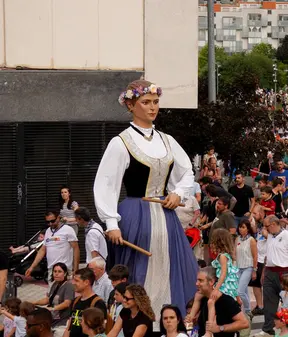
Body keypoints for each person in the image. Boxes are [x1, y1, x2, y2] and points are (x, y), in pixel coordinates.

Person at [94, 80, 198, 316]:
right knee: (137, 271)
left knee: (171, 268)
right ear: (131, 105)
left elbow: (187, 172)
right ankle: (137, 322)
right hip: (135, 213)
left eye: (155, 102)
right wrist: (111, 223)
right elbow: (106, 183)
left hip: (166, 216)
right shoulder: (121, 143)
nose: (152, 108)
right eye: (146, 102)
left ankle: (168, 320)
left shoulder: (167, 140)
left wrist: (178, 193)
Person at [259, 216, 288, 336]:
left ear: (273, 224)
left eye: (267, 226)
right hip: (269, 271)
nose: (265, 229)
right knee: (268, 301)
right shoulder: (270, 236)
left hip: (285, 272)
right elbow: (268, 255)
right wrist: (263, 271)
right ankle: (268, 328)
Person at [193, 267, 249, 337]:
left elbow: (244, 323)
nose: (196, 283)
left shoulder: (226, 301)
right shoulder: (203, 299)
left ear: (211, 282)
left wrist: (220, 328)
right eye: (197, 280)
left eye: (200, 280)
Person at [26, 210, 80, 281]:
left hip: (64, 269)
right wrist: (32, 267)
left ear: (59, 218)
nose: (50, 223)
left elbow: (76, 249)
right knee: (52, 291)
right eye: (48, 222)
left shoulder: (68, 230)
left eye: (52, 221)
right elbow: (42, 250)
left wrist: (76, 270)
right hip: (52, 270)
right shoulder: (48, 231)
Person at [64, 268, 109, 337]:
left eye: (77, 281)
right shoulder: (75, 301)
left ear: (86, 282)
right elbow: (69, 327)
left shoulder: (98, 303)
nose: (73, 283)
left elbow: (101, 329)